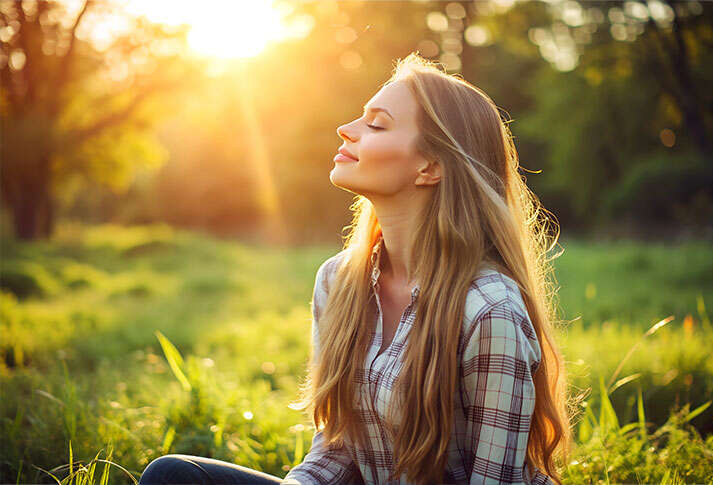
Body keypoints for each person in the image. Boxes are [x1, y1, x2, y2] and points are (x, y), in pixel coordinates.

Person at [139, 52, 574, 485]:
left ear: (431, 166)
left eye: (377, 124)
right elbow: (335, 448)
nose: (345, 130)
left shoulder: (489, 309)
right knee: (174, 476)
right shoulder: (338, 280)